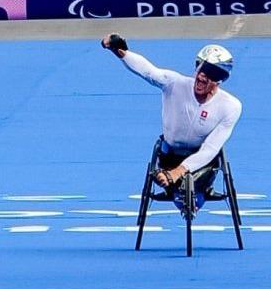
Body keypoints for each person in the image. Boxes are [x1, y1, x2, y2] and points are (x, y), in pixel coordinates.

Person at [102, 34, 241, 206]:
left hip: (202, 162)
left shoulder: (231, 107)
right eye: (201, 69)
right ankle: (173, 185)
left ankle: (188, 189)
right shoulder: (174, 83)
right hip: (169, 156)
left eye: (211, 74)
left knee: (188, 185)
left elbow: (211, 149)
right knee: (178, 184)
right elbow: (148, 71)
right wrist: (121, 52)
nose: (203, 77)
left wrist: (178, 172)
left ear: (220, 80)